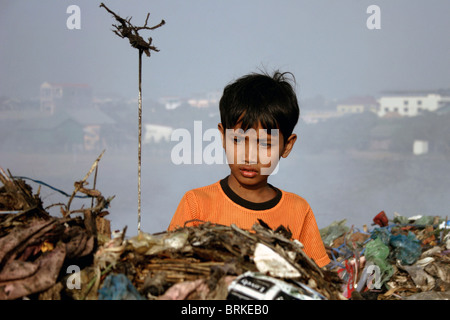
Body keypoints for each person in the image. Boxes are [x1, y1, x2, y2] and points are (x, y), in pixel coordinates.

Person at [168, 70, 330, 268]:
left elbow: (318, 279)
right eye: (237, 140)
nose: (250, 156)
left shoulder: (298, 210)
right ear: (222, 136)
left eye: (265, 144)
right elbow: (171, 265)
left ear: (287, 146)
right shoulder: (196, 205)